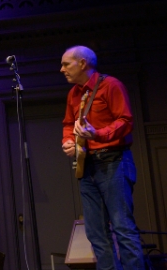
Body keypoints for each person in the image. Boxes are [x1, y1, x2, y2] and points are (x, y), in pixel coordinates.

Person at [59, 45, 146, 270]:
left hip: (113, 161)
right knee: (96, 233)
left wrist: (98, 134)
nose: (62, 69)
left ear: (83, 63)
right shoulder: (74, 94)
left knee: (122, 228)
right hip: (86, 166)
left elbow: (125, 121)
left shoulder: (110, 85)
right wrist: (68, 141)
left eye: (66, 64)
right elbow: (69, 123)